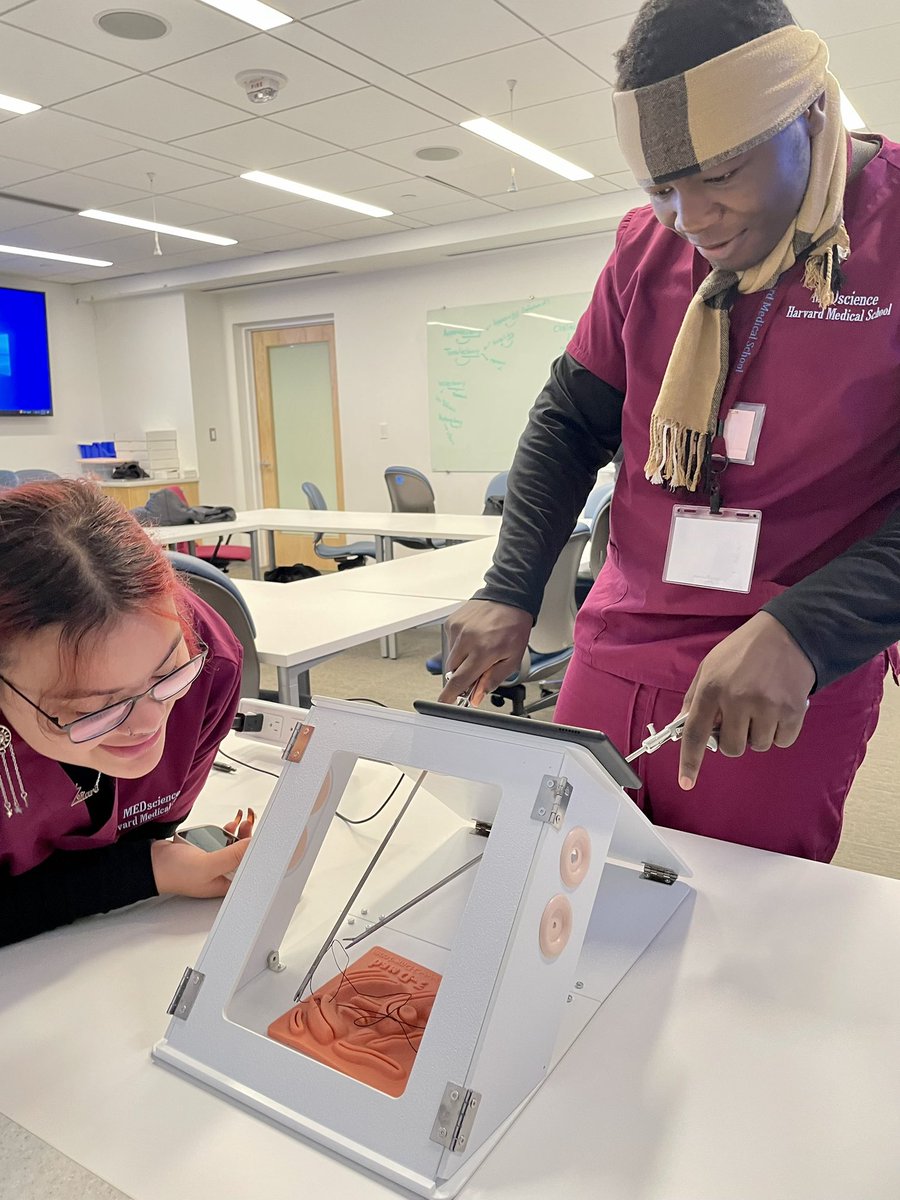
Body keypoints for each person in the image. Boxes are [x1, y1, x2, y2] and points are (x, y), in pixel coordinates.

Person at [440, 0, 900, 861]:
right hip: (622, 637)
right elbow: (567, 423)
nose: (692, 218)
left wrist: (811, 629)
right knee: (559, 878)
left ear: (809, 112)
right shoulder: (646, 249)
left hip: (785, 653)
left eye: (721, 175)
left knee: (737, 924)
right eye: (661, 187)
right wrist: (510, 584)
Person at [0, 480, 250, 946]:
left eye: (168, 674)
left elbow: (142, 837)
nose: (150, 725)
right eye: (95, 710)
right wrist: (148, 871)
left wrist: (154, 863)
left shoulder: (210, 663)